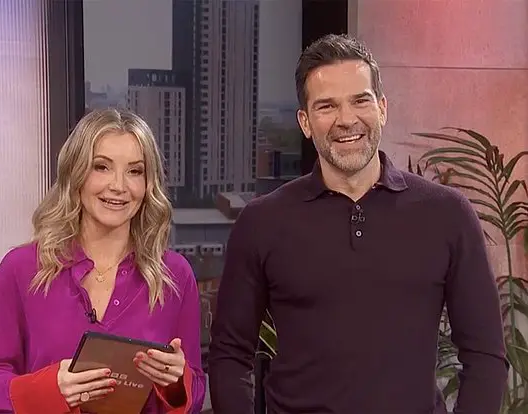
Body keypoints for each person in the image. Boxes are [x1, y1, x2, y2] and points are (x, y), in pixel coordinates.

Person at [208, 34, 507, 414]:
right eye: (327, 106)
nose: (346, 120)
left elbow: (485, 354)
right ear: (305, 122)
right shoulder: (262, 221)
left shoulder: (447, 213)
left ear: (382, 108)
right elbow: (229, 355)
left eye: (360, 101)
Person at [0, 108, 206, 413]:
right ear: (75, 173)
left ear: (148, 184)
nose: (119, 186)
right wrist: (50, 390)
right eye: (101, 167)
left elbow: (194, 388)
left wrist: (175, 381)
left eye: (135, 171)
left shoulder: (174, 275)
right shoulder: (21, 269)